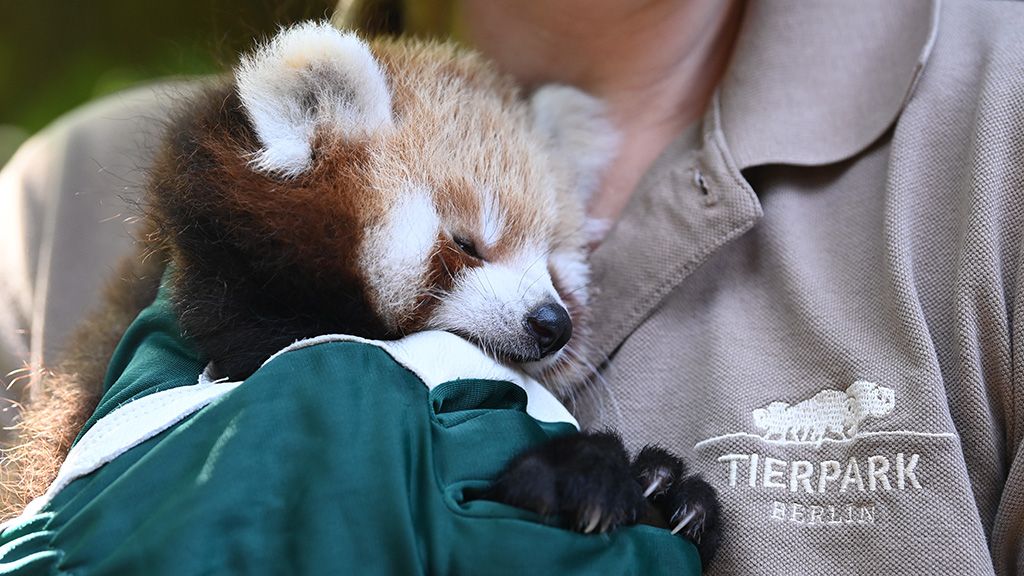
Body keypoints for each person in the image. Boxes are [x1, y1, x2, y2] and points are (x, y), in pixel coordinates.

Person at [2, 0, 1023, 574]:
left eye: (552, 258)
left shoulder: (997, 129)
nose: (542, 310)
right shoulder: (51, 218)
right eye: (470, 247)